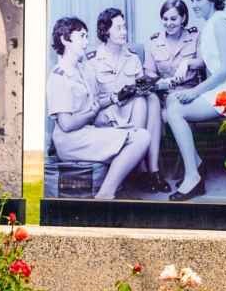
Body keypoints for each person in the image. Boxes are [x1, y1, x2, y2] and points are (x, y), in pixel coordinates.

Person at [164, 0, 226, 201]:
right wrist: (186, 63)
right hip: (223, 88)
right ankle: (196, 164)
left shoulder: (221, 22)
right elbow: (208, 62)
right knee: (172, 100)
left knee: (175, 110)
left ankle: (193, 176)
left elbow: (225, 69)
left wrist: (195, 91)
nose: (193, 4)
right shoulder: (210, 24)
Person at [47, 16, 149, 200]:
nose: (86, 43)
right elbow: (67, 124)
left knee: (136, 133)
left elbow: (94, 103)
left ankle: (111, 189)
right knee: (141, 137)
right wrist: (91, 114)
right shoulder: (59, 76)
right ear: (65, 39)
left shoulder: (83, 69)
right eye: (82, 37)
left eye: (87, 37)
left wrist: (115, 97)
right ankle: (105, 194)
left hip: (86, 131)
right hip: (70, 140)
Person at [142, 0, 202, 190]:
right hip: (163, 93)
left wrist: (188, 65)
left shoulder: (195, 36)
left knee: (170, 114)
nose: (169, 23)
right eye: (165, 19)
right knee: (158, 113)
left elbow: (202, 61)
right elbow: (149, 74)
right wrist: (160, 83)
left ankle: (192, 168)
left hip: (189, 93)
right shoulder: (154, 41)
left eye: (174, 18)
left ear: (183, 18)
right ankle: (198, 164)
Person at [91, 8, 146, 129]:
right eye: (118, 28)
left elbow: (141, 87)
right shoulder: (92, 62)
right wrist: (113, 99)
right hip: (106, 112)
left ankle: (139, 141)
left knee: (145, 101)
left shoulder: (133, 58)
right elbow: (91, 103)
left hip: (131, 108)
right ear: (105, 31)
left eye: (124, 27)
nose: (124, 32)